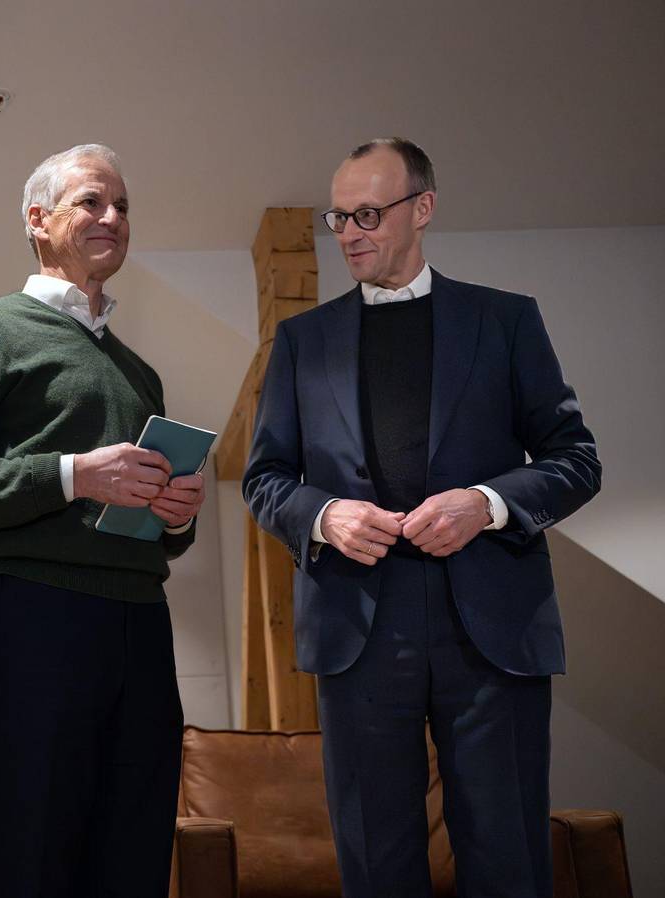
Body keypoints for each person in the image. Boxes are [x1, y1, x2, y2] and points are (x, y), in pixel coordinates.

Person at [242, 137, 600, 897]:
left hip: (492, 624)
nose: (349, 233)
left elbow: (575, 459)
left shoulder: (506, 320)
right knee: (376, 865)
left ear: (423, 208)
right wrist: (326, 515)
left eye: (368, 214)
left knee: (508, 859)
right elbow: (264, 479)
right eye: (339, 218)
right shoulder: (302, 341)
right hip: (358, 627)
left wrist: (487, 504)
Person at [0, 143, 204, 898]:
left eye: (123, 206)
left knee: (136, 853)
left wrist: (175, 515)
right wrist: (76, 475)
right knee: (33, 851)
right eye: (92, 201)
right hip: (28, 618)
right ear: (38, 220)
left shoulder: (142, 373)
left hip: (143, 625)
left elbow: (160, 527)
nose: (114, 217)